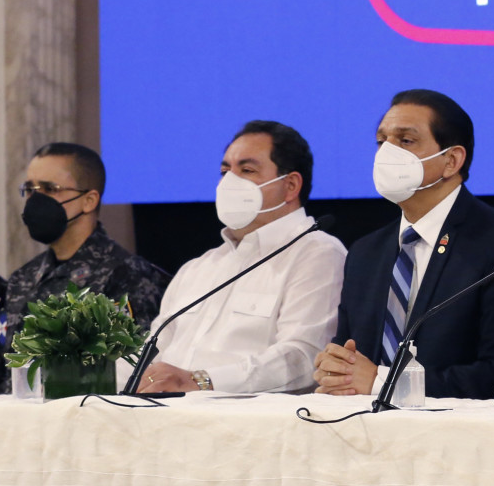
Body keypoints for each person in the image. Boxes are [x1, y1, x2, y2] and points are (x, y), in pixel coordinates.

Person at [313, 90, 494, 398]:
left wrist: (382, 383)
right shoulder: (365, 253)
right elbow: (352, 358)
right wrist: (336, 370)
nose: (387, 153)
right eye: (382, 141)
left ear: (451, 160)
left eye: (406, 141)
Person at [137, 121, 346, 394]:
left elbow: (303, 358)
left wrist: (201, 380)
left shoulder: (317, 254)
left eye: (247, 171)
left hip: (249, 417)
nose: (229, 182)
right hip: (161, 412)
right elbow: (149, 354)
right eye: (225, 171)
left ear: (291, 185)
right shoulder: (199, 267)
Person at [0, 143, 171, 392]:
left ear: (89, 200)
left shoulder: (127, 275)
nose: (36, 200)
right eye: (30, 189)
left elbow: (127, 373)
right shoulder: (23, 278)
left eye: (49, 189)